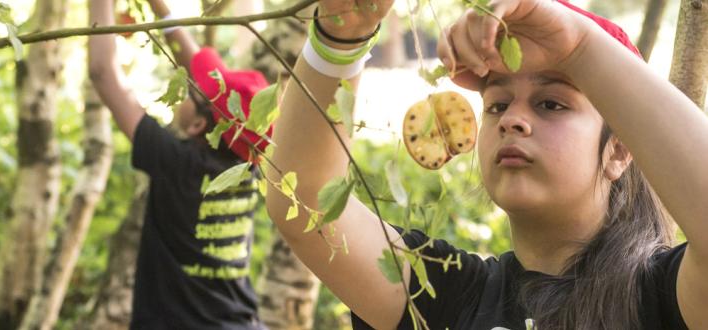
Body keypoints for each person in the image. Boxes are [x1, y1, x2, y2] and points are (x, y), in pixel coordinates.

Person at [265, 0, 708, 329]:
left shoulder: (661, 300)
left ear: (617, 151)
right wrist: (341, 36)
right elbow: (305, 203)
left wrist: (579, 47)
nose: (513, 119)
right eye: (496, 105)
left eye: (551, 104)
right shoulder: (447, 296)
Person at [88, 0, 271, 328]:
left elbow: (103, 74)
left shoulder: (176, 163)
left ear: (199, 125)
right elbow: (196, 65)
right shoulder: (246, 162)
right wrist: (159, 7)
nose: (188, 85)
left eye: (192, 91)